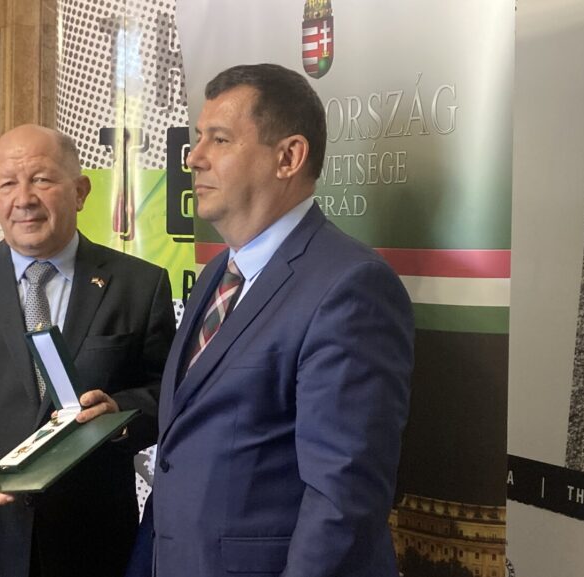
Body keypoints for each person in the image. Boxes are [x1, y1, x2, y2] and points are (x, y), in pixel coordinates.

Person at [149, 64, 414, 576]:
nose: (194, 157)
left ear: (288, 157)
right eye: (199, 137)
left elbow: (342, 498)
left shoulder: (351, 287)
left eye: (219, 139)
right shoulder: (216, 275)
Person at [0, 124, 175, 577]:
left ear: (80, 191)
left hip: (91, 542)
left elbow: (168, 393)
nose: (23, 199)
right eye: (8, 184)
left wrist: (120, 413)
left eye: (42, 179)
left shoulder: (139, 285)